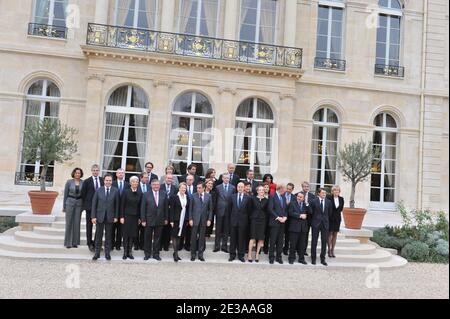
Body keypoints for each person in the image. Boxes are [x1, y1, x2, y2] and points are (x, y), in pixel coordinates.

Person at [91, 174, 119, 261]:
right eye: (107, 180)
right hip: (100, 216)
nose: (108, 182)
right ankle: (97, 253)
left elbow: (117, 205)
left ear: (112, 181)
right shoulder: (99, 190)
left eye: (110, 180)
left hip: (110, 217)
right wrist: (93, 216)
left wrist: (116, 216)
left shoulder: (115, 191)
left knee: (108, 236)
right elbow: (94, 204)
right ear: (104, 181)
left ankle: (107, 253)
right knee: (98, 236)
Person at [140, 179, 169, 261]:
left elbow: (166, 208)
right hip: (148, 220)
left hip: (160, 219)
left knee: (158, 238)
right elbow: (143, 208)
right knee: (147, 238)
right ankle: (147, 254)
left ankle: (156, 254)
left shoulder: (164, 194)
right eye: (154, 185)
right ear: (151, 185)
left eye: (157, 185)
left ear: (159, 185)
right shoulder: (146, 194)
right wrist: (143, 220)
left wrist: (166, 218)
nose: (156, 186)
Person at [81, 164, 104, 252]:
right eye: (94, 170)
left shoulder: (102, 181)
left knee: (99, 227)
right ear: (91, 171)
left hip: (100, 208)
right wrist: (86, 206)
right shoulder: (87, 181)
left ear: (99, 171)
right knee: (89, 226)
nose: (95, 172)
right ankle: (89, 243)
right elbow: (83, 194)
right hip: (90, 208)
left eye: (97, 170)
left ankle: (96, 243)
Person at [189, 183, 213, 262]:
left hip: (203, 220)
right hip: (195, 220)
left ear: (203, 188)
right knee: (193, 237)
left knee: (202, 238)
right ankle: (193, 254)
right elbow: (190, 209)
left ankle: (200, 254)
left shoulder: (208, 196)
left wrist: (209, 219)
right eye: (197, 188)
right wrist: (190, 219)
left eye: (199, 188)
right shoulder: (193, 196)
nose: (198, 189)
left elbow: (210, 209)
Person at [228, 182, 251, 262]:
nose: (240, 188)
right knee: (233, 239)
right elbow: (229, 209)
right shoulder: (232, 197)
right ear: (237, 187)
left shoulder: (248, 198)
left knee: (241, 239)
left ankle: (241, 255)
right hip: (233, 221)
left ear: (244, 188)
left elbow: (249, 211)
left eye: (241, 187)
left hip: (243, 222)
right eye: (239, 187)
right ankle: (232, 255)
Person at [119, 176, 142, 260]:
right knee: (125, 235)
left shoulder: (140, 193)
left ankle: (130, 252)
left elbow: (140, 207)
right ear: (130, 183)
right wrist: (121, 216)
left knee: (132, 235)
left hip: (135, 217)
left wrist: (140, 217)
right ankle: (125, 252)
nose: (135, 183)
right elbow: (122, 205)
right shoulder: (126, 192)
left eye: (136, 182)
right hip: (126, 216)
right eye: (133, 182)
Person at [309, 188, 332, 266]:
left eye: (325, 193)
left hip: (325, 224)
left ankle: (323, 259)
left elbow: (330, 213)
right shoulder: (313, 201)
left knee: (324, 242)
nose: (324, 194)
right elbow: (311, 212)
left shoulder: (329, 202)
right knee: (314, 241)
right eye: (322, 193)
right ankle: (313, 258)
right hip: (315, 224)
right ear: (318, 193)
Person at [213, 173, 235, 253]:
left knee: (226, 230)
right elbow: (215, 200)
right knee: (218, 230)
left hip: (228, 211)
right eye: (225, 178)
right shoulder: (217, 187)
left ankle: (224, 246)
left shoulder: (233, 188)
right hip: (219, 210)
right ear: (222, 178)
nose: (226, 179)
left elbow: (233, 201)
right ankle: (217, 246)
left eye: (228, 178)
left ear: (229, 179)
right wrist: (215, 210)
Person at [288, 192, 311, 265]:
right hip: (294, 227)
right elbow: (290, 213)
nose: (299, 198)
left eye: (301, 197)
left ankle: (301, 259)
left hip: (303, 228)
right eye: (298, 196)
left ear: (303, 198)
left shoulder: (305, 204)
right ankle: (291, 258)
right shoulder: (292, 203)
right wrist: (300, 215)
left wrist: (307, 204)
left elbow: (310, 212)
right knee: (293, 244)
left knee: (302, 244)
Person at [63, 168, 84, 249]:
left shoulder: (83, 182)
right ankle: (68, 242)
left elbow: (84, 194)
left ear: (81, 174)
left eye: (79, 173)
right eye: (76, 173)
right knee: (69, 223)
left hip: (79, 203)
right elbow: (65, 194)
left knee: (77, 223)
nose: (77, 174)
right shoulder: (69, 182)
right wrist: (64, 206)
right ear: (74, 173)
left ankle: (75, 242)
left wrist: (83, 206)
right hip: (69, 203)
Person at [169, 182, 190, 262]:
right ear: (179, 188)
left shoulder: (187, 197)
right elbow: (172, 209)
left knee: (179, 237)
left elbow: (187, 209)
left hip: (183, 220)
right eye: (182, 188)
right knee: (174, 236)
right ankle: (176, 253)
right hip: (176, 220)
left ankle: (176, 253)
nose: (183, 189)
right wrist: (171, 220)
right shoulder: (174, 197)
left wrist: (187, 220)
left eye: (185, 188)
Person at [267, 184, 287, 264]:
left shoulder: (283, 197)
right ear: (280, 189)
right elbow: (270, 209)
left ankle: (279, 257)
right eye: (284, 189)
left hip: (282, 223)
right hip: (274, 222)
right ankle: (271, 257)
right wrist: (278, 217)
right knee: (273, 240)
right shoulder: (272, 196)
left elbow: (285, 209)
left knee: (280, 241)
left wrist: (285, 217)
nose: (285, 191)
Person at [248, 185, 269, 262]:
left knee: (260, 238)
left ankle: (257, 254)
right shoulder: (253, 198)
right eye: (260, 190)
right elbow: (250, 209)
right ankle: (249, 254)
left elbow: (267, 211)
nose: (261, 191)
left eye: (263, 190)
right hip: (254, 219)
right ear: (257, 191)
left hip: (262, 220)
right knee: (252, 237)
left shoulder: (266, 200)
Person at [112, 168, 130, 251]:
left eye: (122, 173)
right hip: (113, 209)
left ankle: (118, 245)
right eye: (119, 173)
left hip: (123, 209)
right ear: (116, 174)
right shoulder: (112, 183)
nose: (121, 174)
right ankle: (112, 244)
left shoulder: (127, 184)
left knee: (120, 228)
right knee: (112, 228)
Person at [160, 174, 178, 251]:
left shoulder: (175, 188)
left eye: (171, 178)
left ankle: (166, 246)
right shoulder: (160, 187)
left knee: (168, 230)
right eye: (168, 178)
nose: (169, 179)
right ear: (165, 179)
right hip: (161, 211)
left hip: (171, 212)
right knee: (161, 229)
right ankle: (160, 245)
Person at [298, 181, 316, 257]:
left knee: (305, 235)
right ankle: (297, 249)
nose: (306, 188)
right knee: (298, 235)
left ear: (309, 187)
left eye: (307, 186)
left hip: (308, 219)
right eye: (304, 186)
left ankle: (303, 250)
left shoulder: (312, 196)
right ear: (302, 187)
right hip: (298, 219)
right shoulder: (298, 195)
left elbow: (313, 208)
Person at [327, 185, 344, 258]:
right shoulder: (329, 198)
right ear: (332, 191)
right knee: (330, 233)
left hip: (337, 218)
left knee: (335, 234)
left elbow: (341, 209)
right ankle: (329, 249)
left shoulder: (341, 199)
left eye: (337, 190)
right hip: (330, 218)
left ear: (339, 191)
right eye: (335, 190)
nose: (336, 191)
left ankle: (332, 250)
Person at [181, 174, 196, 251]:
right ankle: (180, 245)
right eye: (187, 180)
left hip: (193, 214)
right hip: (183, 213)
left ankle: (187, 245)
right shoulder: (183, 188)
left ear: (193, 180)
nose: (188, 181)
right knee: (182, 230)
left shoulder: (196, 189)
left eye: (190, 180)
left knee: (189, 231)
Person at [135, 172, 149, 250]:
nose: (147, 179)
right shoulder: (136, 186)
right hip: (137, 212)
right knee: (136, 230)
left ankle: (142, 245)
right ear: (141, 178)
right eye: (145, 177)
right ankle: (136, 245)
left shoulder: (149, 186)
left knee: (144, 231)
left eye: (147, 178)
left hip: (146, 213)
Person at [283, 183, 295, 255]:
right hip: (281, 217)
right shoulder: (282, 195)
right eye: (287, 188)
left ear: (292, 190)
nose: (288, 190)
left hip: (290, 219)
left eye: (290, 189)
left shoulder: (294, 197)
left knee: (288, 235)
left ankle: (285, 249)